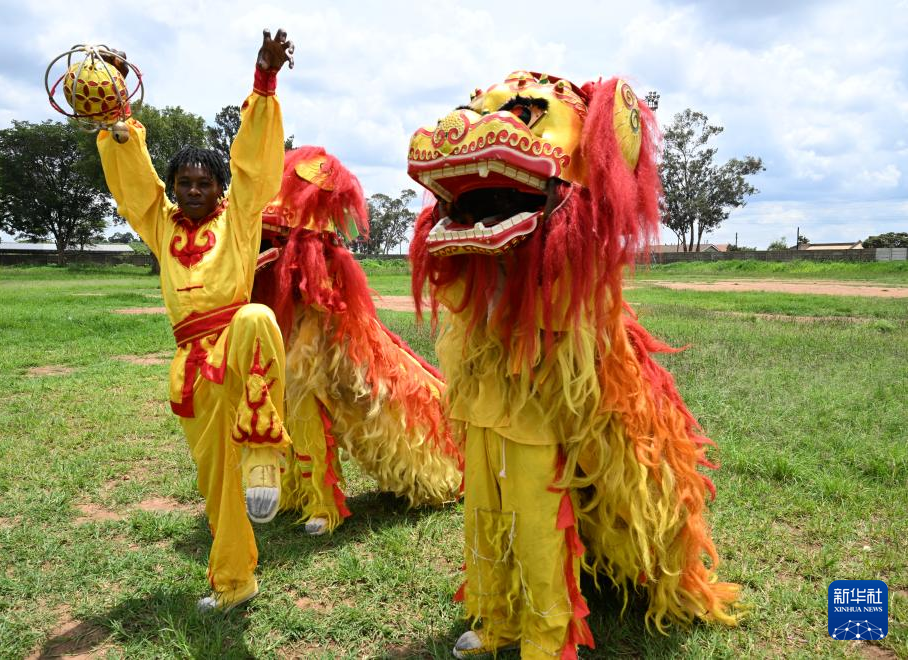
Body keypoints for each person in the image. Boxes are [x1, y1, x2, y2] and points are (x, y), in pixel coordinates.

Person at [408, 72, 739, 658]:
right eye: (480, 109)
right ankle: (496, 615)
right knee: (484, 512)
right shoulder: (472, 257)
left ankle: (546, 633)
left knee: (536, 519)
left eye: (526, 112)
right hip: (483, 402)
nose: (491, 118)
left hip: (534, 410)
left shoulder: (574, 268)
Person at [96, 29, 295, 613]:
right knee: (215, 485)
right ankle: (235, 581)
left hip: (239, 342)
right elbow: (135, 183)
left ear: (218, 189)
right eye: (184, 182)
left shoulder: (239, 218)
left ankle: (264, 454)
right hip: (192, 368)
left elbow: (255, 166)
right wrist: (116, 108)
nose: (194, 189)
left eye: (205, 182)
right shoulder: (160, 223)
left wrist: (263, 79)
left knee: (258, 314)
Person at [251, 146, 463, 536]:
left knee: (313, 402)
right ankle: (296, 493)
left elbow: (331, 297)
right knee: (286, 406)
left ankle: (322, 502)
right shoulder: (264, 222)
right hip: (286, 331)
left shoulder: (324, 245)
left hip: (326, 336)